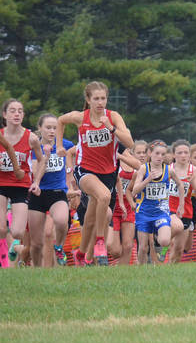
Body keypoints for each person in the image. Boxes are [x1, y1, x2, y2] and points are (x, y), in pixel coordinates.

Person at [57, 82, 134, 266]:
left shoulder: (113, 117)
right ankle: (100, 241)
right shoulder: (79, 117)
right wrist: (59, 145)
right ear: (88, 100)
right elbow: (60, 120)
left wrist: (111, 128)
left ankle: (82, 254)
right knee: (105, 196)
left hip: (107, 173)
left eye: (103, 98)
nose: (100, 102)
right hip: (85, 171)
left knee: (90, 220)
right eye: (96, 99)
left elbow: (130, 143)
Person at [26, 113, 72, 267]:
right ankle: (37, 271)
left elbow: (79, 156)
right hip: (38, 193)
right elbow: (34, 172)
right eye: (48, 128)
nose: (52, 131)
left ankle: (58, 246)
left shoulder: (65, 145)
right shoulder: (34, 147)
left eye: (55, 128)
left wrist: (71, 181)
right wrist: (45, 157)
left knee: (61, 221)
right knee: (37, 243)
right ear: (40, 128)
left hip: (57, 192)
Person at [1, 99, 43, 266]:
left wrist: (37, 181)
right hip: (1, 184)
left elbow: (41, 160)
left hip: (21, 185)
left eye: (20, 111)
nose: (16, 114)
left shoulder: (31, 138)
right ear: (4, 115)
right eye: (12, 110)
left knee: (18, 232)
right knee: (1, 229)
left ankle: (16, 248)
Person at [131, 141, 186, 263]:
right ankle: (141, 271)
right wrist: (148, 180)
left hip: (161, 212)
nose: (160, 157)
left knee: (165, 241)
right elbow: (134, 191)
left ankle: (157, 242)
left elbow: (180, 185)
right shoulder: (143, 169)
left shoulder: (169, 170)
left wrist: (181, 205)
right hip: (144, 212)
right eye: (157, 153)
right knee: (143, 248)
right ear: (150, 153)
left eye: (163, 154)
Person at [106, 141, 147, 266]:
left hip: (128, 207)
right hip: (113, 207)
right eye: (138, 152)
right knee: (115, 251)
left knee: (128, 245)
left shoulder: (140, 167)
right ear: (131, 152)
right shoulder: (113, 161)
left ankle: (122, 272)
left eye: (143, 153)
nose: (141, 155)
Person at [166, 140, 196, 263]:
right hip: (168, 208)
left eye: (186, 152)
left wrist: (193, 183)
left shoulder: (194, 170)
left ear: (189, 155)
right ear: (173, 155)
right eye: (179, 152)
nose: (183, 155)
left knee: (179, 249)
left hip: (185, 210)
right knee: (170, 237)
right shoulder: (168, 169)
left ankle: (170, 271)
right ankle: (159, 244)